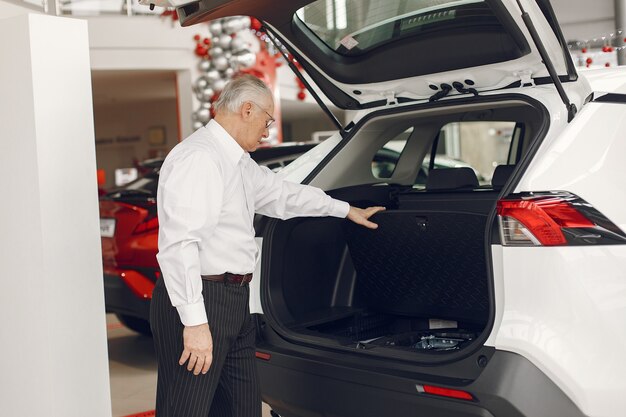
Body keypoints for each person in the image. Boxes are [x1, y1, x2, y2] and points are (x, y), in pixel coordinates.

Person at [151, 74, 385, 417]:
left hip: (233, 301)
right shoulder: (199, 158)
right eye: (267, 119)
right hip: (199, 302)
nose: (268, 129)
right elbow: (179, 244)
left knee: (242, 408)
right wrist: (195, 322)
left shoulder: (239, 163)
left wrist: (346, 210)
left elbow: (284, 196)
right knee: (186, 410)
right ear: (247, 109)